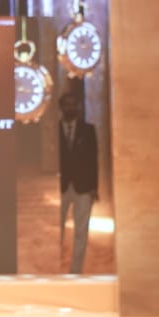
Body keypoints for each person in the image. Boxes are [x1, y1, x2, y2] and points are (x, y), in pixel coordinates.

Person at [57, 89, 99, 274]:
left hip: (83, 187)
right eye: (66, 105)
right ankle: (56, 268)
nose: (70, 108)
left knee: (81, 231)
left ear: (78, 107)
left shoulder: (88, 130)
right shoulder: (55, 130)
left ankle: (76, 271)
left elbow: (93, 160)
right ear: (61, 107)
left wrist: (94, 187)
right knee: (58, 230)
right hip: (61, 187)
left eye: (73, 104)